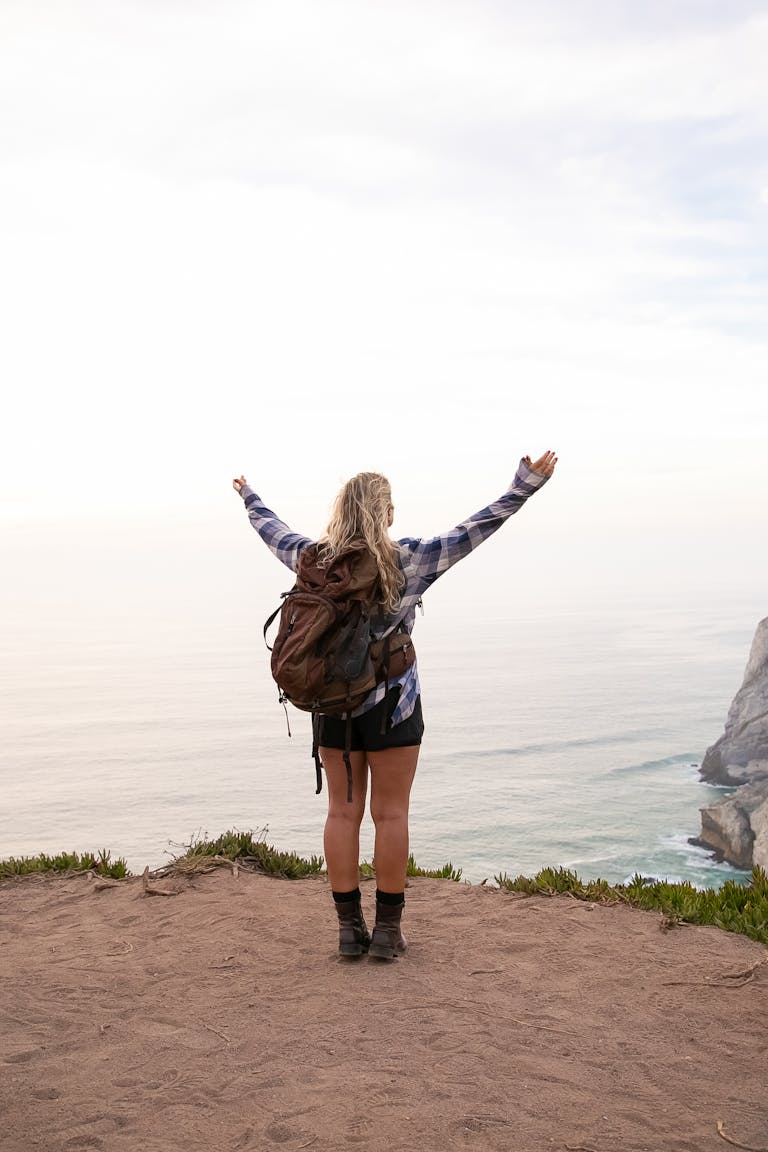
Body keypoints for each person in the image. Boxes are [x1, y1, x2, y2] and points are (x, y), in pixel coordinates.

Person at [232, 451, 557, 961]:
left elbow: (271, 530)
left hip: (332, 706)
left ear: (341, 511)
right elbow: (480, 527)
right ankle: (386, 933)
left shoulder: (312, 559)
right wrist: (525, 485)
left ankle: (347, 932)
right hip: (394, 706)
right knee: (390, 814)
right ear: (385, 513)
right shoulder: (410, 558)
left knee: (342, 815)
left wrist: (250, 497)